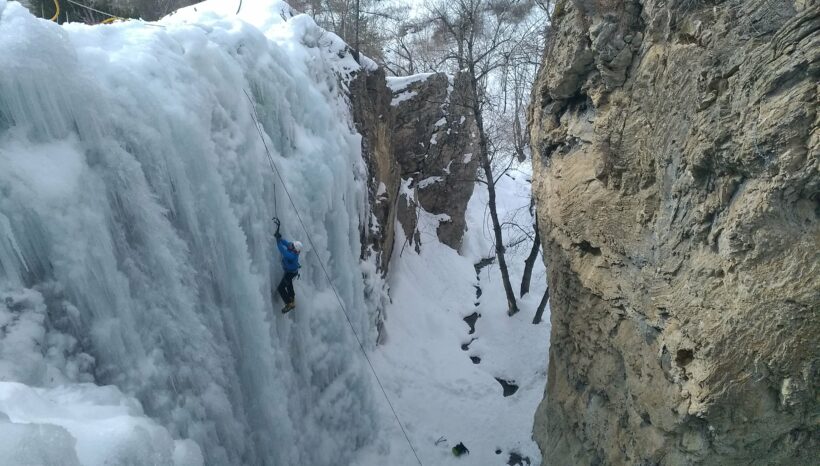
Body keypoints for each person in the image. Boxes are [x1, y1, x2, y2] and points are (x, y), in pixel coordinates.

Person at [273, 217, 302, 313]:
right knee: (289, 285)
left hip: (290, 273)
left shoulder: (292, 256)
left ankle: (288, 303)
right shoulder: (294, 249)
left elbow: (283, 251)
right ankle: (292, 299)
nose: (291, 245)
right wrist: (280, 238)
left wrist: (277, 241)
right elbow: (286, 243)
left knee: (281, 288)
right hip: (292, 272)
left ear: (295, 250)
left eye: (292, 246)